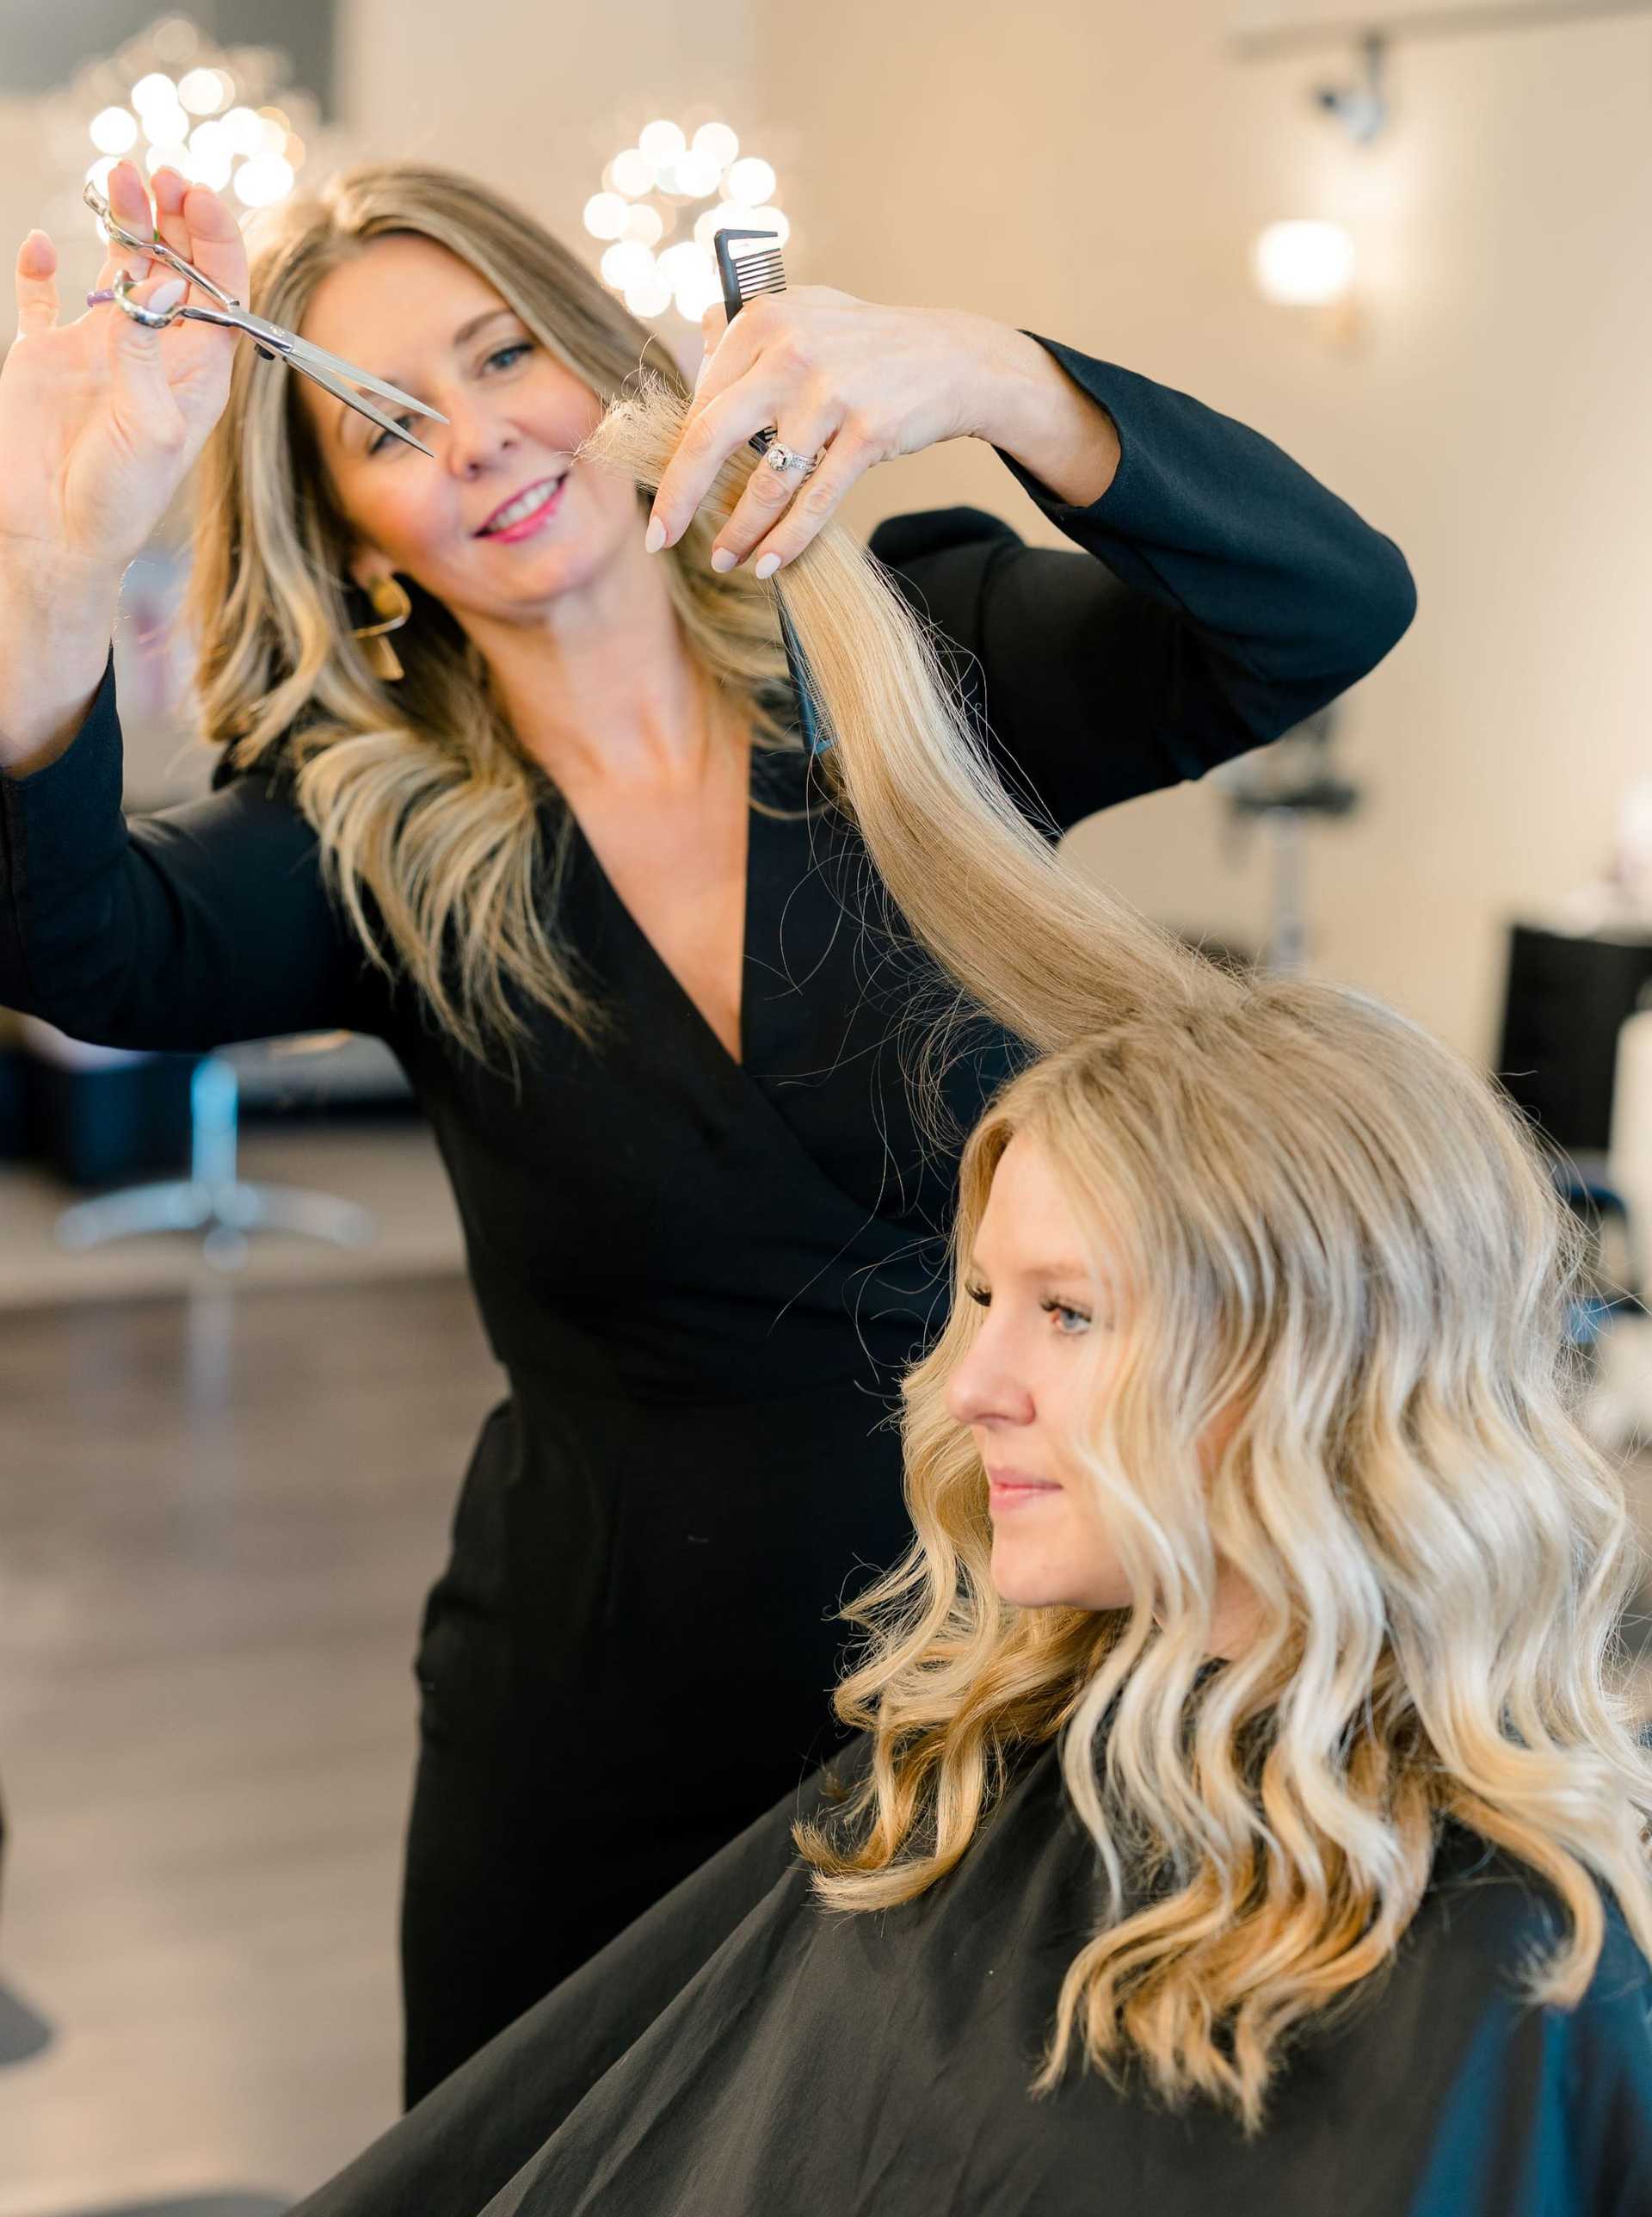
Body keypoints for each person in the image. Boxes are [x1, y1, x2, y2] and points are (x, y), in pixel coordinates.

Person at [0, 153, 1415, 2101]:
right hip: (600, 1721)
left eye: (509, 354)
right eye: (388, 426)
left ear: (608, 361)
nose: (480, 434)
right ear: (362, 541)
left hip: (1023, 1672)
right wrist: (58, 571)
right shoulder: (368, 843)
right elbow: (75, 937)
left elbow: (1329, 608)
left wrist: (988, 379)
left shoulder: (924, 668)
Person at [286, 787, 1652, 2216]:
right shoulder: (978, 1766)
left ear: (1313, 1360)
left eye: (1067, 1314)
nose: (970, 1383)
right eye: (986, 1296)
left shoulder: (1515, 1967)